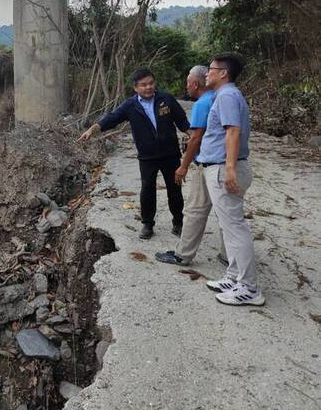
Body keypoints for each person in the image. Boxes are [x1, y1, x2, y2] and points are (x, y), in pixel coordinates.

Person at [78, 67, 189, 239]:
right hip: (147, 156)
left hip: (170, 154)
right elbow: (112, 118)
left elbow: (182, 120)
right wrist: (93, 130)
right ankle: (147, 224)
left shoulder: (165, 99)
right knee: (147, 189)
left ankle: (178, 221)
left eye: (151, 83)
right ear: (136, 88)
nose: (148, 87)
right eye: (144, 85)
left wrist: (194, 136)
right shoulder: (131, 105)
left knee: (174, 189)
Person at [198, 53, 264, 306]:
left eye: (211, 69)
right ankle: (234, 276)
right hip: (221, 167)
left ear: (223, 72)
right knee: (228, 226)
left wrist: (229, 169)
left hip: (224, 169)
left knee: (235, 227)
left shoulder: (226, 95)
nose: (207, 72)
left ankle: (249, 288)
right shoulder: (227, 95)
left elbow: (233, 132)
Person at [155, 65, 227, 265]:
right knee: (225, 213)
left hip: (208, 164)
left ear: (195, 84)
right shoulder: (222, 97)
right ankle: (228, 255)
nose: (187, 86)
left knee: (195, 209)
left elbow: (195, 138)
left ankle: (183, 254)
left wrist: (183, 165)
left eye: (187, 82)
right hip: (226, 162)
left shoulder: (203, 103)